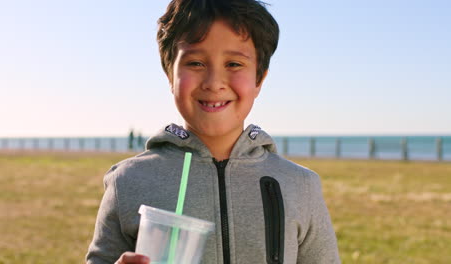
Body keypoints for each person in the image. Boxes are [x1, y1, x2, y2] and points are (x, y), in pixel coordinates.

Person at [86, 0, 340, 263]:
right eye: (195, 63)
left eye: (233, 64)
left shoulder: (300, 185)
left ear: (259, 79)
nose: (214, 83)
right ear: (170, 75)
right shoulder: (128, 181)